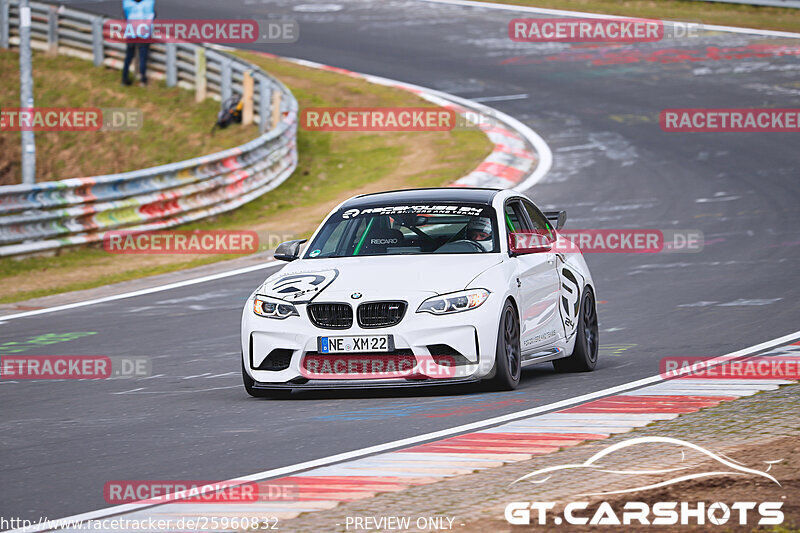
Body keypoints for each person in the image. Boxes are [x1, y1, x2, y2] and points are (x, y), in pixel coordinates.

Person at [121, 0, 155, 87]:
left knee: (128, 57)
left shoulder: (127, 3)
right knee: (142, 58)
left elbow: (125, 15)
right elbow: (153, 15)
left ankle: (124, 79)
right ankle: (143, 80)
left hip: (131, 32)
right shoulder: (149, 3)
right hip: (143, 33)